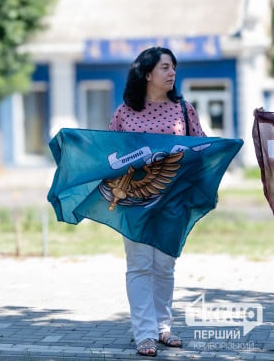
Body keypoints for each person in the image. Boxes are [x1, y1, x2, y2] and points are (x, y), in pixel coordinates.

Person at [108, 47, 205, 356]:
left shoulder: (184, 110)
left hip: (173, 199)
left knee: (164, 265)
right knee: (139, 266)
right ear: (147, 73)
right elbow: (108, 156)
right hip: (135, 201)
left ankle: (163, 327)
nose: (172, 72)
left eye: (173, 67)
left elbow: (202, 147)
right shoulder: (125, 112)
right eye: (165, 67)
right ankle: (144, 334)